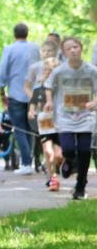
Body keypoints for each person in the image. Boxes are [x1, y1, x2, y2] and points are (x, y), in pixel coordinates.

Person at [44, 37, 97, 200]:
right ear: (64, 53)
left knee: (85, 151)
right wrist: (49, 102)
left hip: (86, 116)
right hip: (65, 116)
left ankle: (80, 186)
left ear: (81, 48)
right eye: (69, 49)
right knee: (67, 149)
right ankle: (69, 161)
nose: (73, 50)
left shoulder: (91, 70)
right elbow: (48, 86)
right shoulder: (59, 71)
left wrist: (94, 102)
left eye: (75, 47)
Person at [0, 23, 41, 175]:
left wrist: (2, 92)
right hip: (33, 94)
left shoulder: (9, 49)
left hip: (15, 94)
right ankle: (28, 161)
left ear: (14, 34)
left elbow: (2, 72)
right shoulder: (35, 48)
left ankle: (26, 163)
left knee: (19, 129)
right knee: (29, 129)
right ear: (27, 33)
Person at [29, 57, 63, 191]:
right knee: (48, 152)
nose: (48, 72)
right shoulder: (38, 89)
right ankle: (52, 178)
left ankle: (59, 168)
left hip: (60, 123)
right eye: (46, 70)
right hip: (45, 123)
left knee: (59, 155)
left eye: (52, 70)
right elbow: (32, 104)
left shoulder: (62, 88)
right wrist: (31, 111)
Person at [24, 41, 59, 172]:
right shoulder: (34, 68)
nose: (46, 53)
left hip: (60, 116)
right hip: (43, 113)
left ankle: (58, 164)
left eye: (49, 51)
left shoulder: (61, 68)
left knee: (58, 148)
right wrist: (33, 105)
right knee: (47, 146)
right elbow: (27, 87)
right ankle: (51, 174)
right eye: (44, 51)